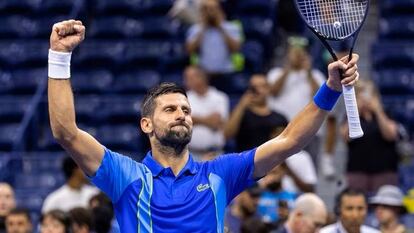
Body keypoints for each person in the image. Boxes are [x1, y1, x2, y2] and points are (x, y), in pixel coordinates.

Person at [47, 19, 359, 232]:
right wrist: (59, 57)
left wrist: (330, 88)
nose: (181, 114)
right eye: (169, 109)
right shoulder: (125, 175)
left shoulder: (219, 173)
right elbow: (66, 132)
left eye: (186, 109)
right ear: (146, 124)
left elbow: (290, 140)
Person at [267, 38, 326, 165]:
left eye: (301, 53)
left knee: (308, 171)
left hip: (309, 130)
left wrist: (309, 72)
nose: (297, 57)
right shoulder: (275, 73)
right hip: (280, 130)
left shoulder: (316, 75)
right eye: (293, 53)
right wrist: (288, 68)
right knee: (275, 167)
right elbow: (273, 91)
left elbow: (321, 97)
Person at [341, 80, 400, 194]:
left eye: (368, 94)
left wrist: (378, 110)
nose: (365, 99)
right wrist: (355, 110)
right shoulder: (350, 117)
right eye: (361, 95)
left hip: (384, 171)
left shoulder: (386, 113)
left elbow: (391, 135)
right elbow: (345, 137)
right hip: (357, 172)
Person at [224, 74, 288, 152]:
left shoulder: (279, 118)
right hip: (246, 160)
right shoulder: (242, 114)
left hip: (272, 160)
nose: (257, 91)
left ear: (268, 89)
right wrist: (241, 105)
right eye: (253, 87)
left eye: (261, 86)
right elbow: (227, 135)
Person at [184, 65, 229, 160]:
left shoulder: (220, 97)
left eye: (190, 78)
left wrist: (195, 119)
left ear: (202, 77)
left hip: (215, 154)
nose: (186, 81)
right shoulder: (184, 98)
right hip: (191, 155)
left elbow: (216, 122)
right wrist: (208, 119)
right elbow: (184, 121)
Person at [185, 0, 242, 74]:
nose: (210, 12)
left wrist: (220, 27)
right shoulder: (195, 29)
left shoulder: (231, 27)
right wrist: (203, 28)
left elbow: (236, 49)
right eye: (206, 9)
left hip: (226, 73)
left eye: (212, 9)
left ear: (219, 9)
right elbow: (189, 51)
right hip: (204, 74)